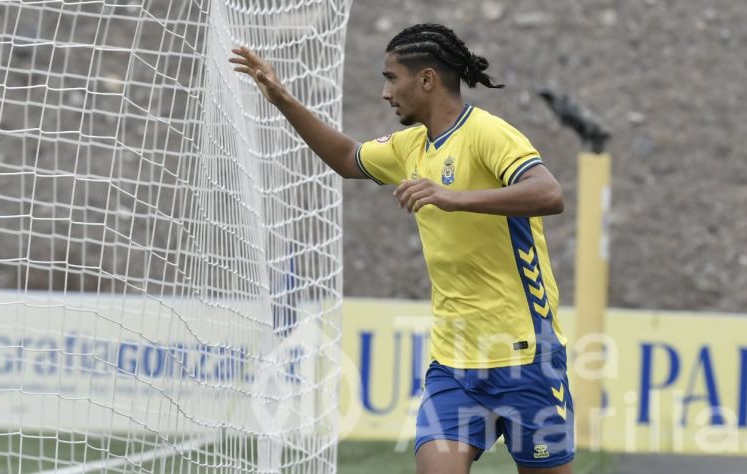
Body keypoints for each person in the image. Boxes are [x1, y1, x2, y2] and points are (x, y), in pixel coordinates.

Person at [231, 22, 573, 474]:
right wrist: (282, 99)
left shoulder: (490, 134)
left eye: (392, 78)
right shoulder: (410, 146)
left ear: (427, 79)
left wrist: (455, 198)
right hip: (453, 364)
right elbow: (346, 159)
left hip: (525, 358)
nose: (385, 92)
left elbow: (549, 194)